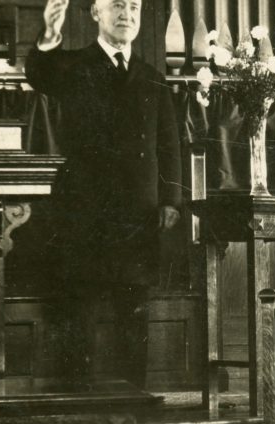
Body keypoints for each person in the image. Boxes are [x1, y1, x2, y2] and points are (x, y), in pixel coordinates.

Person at [25, 0, 182, 387]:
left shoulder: (153, 77)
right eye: (116, 6)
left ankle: (134, 402)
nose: (126, 14)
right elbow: (39, 74)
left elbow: (169, 144)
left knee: (134, 313)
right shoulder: (73, 65)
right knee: (80, 310)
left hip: (138, 214)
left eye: (133, 6)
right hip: (84, 212)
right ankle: (79, 404)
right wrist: (48, 35)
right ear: (96, 13)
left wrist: (171, 199)